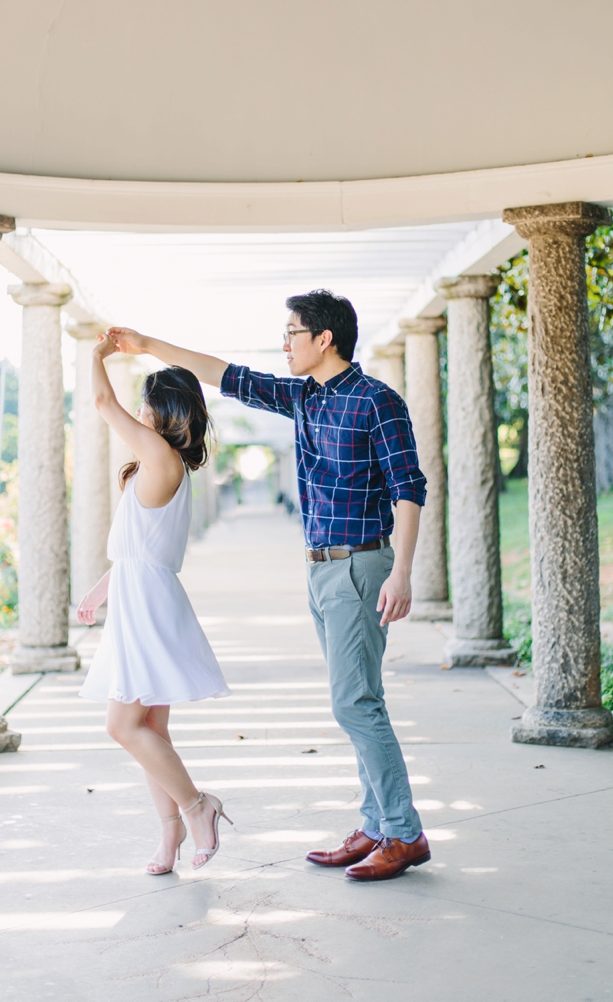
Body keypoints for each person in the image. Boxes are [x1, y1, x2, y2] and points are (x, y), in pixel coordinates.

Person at [107, 287, 431, 882]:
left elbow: (409, 486)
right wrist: (147, 345)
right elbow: (225, 375)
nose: (284, 343)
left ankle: (404, 833)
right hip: (321, 567)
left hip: (360, 564)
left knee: (353, 702)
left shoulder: (377, 401)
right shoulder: (304, 397)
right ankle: (376, 823)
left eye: (292, 333)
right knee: (361, 699)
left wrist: (404, 571)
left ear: (324, 338)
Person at [76, 335, 232, 873]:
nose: (138, 411)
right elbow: (138, 550)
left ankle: (197, 806)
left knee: (122, 726)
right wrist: (100, 593)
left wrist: (93, 356)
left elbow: (102, 405)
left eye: (146, 402)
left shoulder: (160, 457)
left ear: (163, 410)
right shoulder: (163, 464)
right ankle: (169, 842)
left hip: (147, 605)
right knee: (152, 731)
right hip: (140, 598)